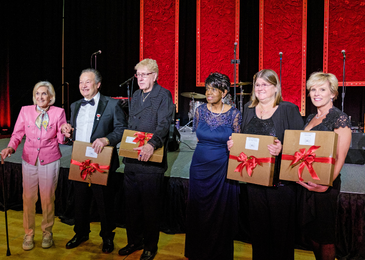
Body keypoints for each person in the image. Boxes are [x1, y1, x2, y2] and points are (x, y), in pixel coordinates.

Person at [229, 69, 304, 259]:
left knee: (281, 234)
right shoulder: (248, 109)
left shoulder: (288, 109)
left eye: (265, 84)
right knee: (259, 231)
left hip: (281, 184)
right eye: (257, 85)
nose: (260, 88)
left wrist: (283, 149)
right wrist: (234, 144)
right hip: (254, 180)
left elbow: (300, 145)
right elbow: (246, 140)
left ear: (275, 87)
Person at [62, 68, 127, 253]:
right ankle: (81, 232)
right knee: (80, 200)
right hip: (80, 159)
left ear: (98, 84)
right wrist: (68, 131)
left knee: (104, 201)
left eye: (87, 82)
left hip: (102, 160)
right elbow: (74, 130)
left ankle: (107, 237)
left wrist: (106, 140)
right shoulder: (75, 105)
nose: (83, 85)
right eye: (81, 82)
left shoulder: (112, 105)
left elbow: (122, 129)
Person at [0, 81, 67, 250]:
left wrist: (66, 132)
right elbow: (17, 133)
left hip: (50, 159)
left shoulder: (58, 112)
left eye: (44, 94)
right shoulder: (25, 111)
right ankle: (28, 234)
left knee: (47, 198)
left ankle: (47, 232)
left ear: (50, 97)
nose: (40, 97)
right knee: (28, 198)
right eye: (37, 93)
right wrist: (10, 147)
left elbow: (61, 139)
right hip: (29, 159)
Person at [118, 58, 173, 260]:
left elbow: (164, 124)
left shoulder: (163, 95)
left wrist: (152, 144)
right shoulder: (135, 95)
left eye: (144, 74)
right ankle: (134, 241)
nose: (140, 78)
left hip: (151, 161)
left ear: (154, 76)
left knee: (150, 208)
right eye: (138, 74)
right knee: (132, 206)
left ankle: (150, 246)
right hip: (132, 160)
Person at [185, 72, 241, 260]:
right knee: (198, 209)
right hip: (199, 166)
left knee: (220, 211)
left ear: (224, 92)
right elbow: (200, 136)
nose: (208, 92)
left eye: (213, 89)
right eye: (207, 88)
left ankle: (219, 253)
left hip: (222, 167)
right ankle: (197, 252)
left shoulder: (234, 114)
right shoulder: (200, 110)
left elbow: (238, 142)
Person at [297, 72, 351, 260]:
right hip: (307, 183)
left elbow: (340, 156)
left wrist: (326, 183)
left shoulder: (340, 118)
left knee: (325, 236)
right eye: (313, 89)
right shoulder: (310, 117)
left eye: (322, 89)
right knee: (311, 233)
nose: (316, 93)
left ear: (333, 94)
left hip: (326, 185)